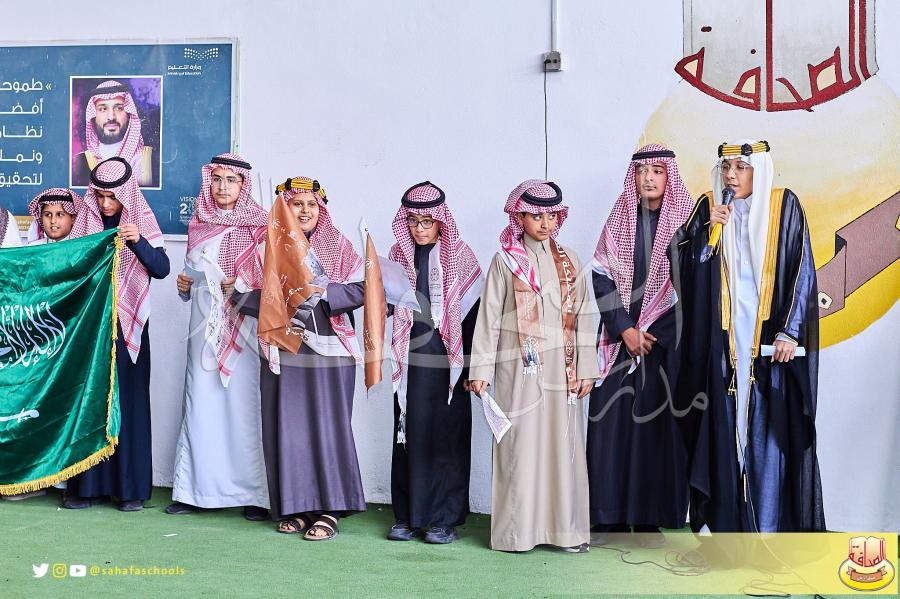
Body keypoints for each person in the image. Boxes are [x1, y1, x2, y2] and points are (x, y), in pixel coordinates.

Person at [671, 140, 825, 533]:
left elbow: (803, 270)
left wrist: (790, 330)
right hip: (721, 345)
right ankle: (726, 531)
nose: (731, 176)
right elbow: (683, 269)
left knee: (767, 436)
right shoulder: (708, 208)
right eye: (726, 168)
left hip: (769, 345)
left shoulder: (783, 205)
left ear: (759, 170)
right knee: (723, 433)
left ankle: (768, 531)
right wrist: (706, 232)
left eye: (741, 168)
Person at [468, 179, 599, 553]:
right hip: (518, 370)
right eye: (536, 216)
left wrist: (586, 368)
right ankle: (517, 535)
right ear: (519, 217)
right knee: (520, 450)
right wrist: (480, 370)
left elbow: (584, 315)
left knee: (562, 450)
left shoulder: (570, 260)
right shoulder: (505, 261)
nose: (545, 223)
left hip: (563, 372)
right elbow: (489, 318)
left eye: (551, 216)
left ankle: (566, 533)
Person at [237, 177, 366, 541]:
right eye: (297, 204)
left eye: (311, 204)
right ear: (285, 208)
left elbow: (364, 288)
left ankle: (330, 509)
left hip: (330, 352)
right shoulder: (266, 246)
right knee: (287, 426)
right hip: (283, 349)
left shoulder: (338, 246)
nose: (305, 211)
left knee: (329, 426)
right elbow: (240, 293)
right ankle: (296, 507)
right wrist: (279, 298)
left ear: (321, 209)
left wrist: (322, 294)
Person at [587, 144, 695, 547]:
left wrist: (653, 332)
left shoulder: (686, 224)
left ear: (670, 177)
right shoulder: (619, 219)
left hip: (662, 346)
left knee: (656, 431)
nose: (648, 178)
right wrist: (625, 329)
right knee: (609, 427)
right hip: (619, 343)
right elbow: (600, 276)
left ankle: (649, 522)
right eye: (641, 171)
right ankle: (607, 519)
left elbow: (693, 287)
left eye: (657, 171)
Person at [166, 154, 269, 520]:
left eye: (231, 180)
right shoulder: (199, 223)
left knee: (244, 407)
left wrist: (242, 284)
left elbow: (273, 280)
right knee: (201, 402)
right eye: (217, 179)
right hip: (203, 329)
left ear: (243, 185)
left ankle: (253, 494)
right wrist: (183, 286)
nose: (223, 187)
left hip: (244, 329)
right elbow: (191, 277)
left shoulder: (260, 226)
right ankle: (194, 492)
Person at [64, 156, 170, 511]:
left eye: (113, 197)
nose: (106, 204)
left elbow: (162, 268)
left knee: (129, 402)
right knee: (90, 400)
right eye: (100, 196)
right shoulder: (86, 224)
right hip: (92, 325)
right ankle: (86, 488)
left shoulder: (140, 221)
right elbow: (70, 267)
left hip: (128, 328)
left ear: (126, 195)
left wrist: (138, 241)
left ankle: (129, 491)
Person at [386, 181, 484, 544]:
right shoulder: (397, 254)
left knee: (446, 438)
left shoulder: (461, 255)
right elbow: (388, 305)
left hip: (449, 362)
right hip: (409, 360)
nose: (419, 229)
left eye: (427, 221)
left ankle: (444, 519)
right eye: (412, 221)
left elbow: (474, 317)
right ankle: (408, 516)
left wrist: (471, 369)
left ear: (441, 220)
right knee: (408, 434)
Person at [72, 80, 158, 187]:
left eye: (118, 108)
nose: (111, 117)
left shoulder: (149, 160)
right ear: (93, 116)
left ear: (129, 114)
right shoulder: (79, 163)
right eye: (103, 109)